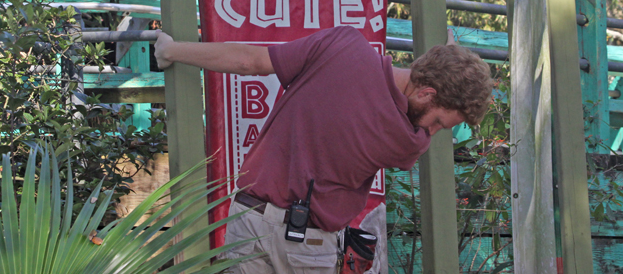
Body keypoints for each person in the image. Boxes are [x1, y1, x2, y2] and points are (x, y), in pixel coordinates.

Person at [154, 25, 493, 274]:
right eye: (439, 123)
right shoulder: (405, 141)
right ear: (427, 95)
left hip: (248, 220)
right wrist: (449, 54)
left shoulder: (342, 45)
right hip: (307, 247)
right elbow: (406, 102)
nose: (430, 133)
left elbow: (249, 60)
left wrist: (171, 50)